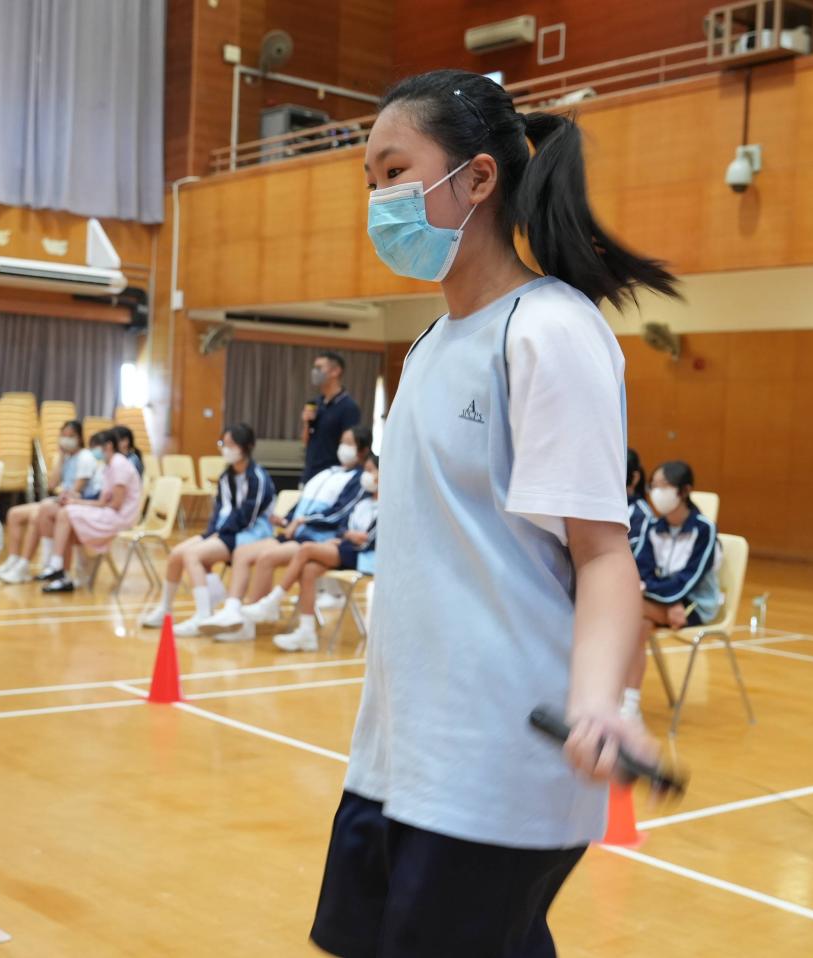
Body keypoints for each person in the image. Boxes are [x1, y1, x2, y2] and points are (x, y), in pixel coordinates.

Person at [309, 70, 677, 958]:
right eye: (370, 180)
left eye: (395, 172)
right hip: (396, 750)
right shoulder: (430, 345)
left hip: (497, 759)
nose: (379, 199)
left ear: (477, 178)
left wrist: (600, 700)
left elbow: (603, 554)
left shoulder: (549, 331)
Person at [199, 426, 371, 639]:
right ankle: (232, 610)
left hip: (316, 537)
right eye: (342, 442)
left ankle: (249, 624)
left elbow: (338, 514)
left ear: (362, 450)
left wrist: (302, 521)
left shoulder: (358, 480)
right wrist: (286, 519)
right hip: (294, 533)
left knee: (266, 557)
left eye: (349, 443)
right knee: (241, 553)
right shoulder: (328, 472)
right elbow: (303, 503)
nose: (343, 447)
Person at [140, 423, 276, 636]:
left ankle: (202, 616)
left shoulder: (258, 477)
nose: (226, 449)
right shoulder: (226, 477)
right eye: (223, 443)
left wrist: (219, 535)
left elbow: (247, 516)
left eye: (231, 445)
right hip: (223, 531)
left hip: (248, 534)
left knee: (192, 555)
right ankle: (165, 609)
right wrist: (212, 532)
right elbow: (220, 509)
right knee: (176, 555)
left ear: (246, 446)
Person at [623, 461, 721, 719]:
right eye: (653, 486)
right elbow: (642, 570)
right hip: (663, 603)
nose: (657, 492)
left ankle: (618, 700)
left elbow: (689, 579)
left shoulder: (704, 530)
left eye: (664, 486)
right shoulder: (653, 526)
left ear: (684, 490)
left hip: (695, 604)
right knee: (638, 623)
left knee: (628, 606)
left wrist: (660, 595)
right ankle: (630, 706)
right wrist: (667, 602)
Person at [271, 453, 379, 653]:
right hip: (347, 549)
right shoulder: (361, 502)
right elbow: (342, 528)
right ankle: (307, 633)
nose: (366, 475)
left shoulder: (386, 506)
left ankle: (275, 597)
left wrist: (344, 540)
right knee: (308, 570)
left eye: (371, 470)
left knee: (307, 548)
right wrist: (347, 536)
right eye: (366, 470)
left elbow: (368, 540)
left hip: (365, 558)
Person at [0, 420, 98, 583]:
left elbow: (75, 492)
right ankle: (13, 560)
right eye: (63, 435)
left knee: (38, 515)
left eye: (71, 436)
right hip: (59, 501)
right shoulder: (67, 458)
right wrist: (61, 458)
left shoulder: (85, 457)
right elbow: (52, 485)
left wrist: (61, 498)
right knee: (14, 514)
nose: (66, 439)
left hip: (76, 504)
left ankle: (26, 565)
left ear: (79, 438)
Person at [40, 430, 142, 593]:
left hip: (121, 518)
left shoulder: (119, 465)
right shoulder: (109, 466)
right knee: (67, 515)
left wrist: (80, 505)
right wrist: (75, 502)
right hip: (110, 512)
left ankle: (56, 565)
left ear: (108, 446)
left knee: (66, 514)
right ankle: (64, 576)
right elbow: (102, 502)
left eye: (95, 447)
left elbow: (115, 504)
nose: (93, 452)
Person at [300, 351, 361, 485]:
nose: (315, 372)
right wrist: (306, 423)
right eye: (314, 367)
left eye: (319, 368)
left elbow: (350, 447)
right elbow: (305, 442)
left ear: (335, 371)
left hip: (332, 478)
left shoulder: (349, 407)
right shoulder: (315, 403)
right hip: (309, 474)